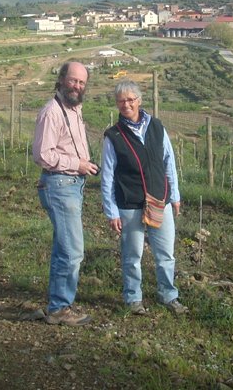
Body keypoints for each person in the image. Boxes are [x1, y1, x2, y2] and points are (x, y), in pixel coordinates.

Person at [100, 80, 188, 316]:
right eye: (121, 100)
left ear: (139, 100)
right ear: (117, 104)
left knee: (165, 254)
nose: (126, 104)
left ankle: (168, 295)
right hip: (129, 204)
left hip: (159, 200)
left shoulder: (157, 127)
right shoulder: (113, 136)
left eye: (130, 99)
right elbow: (107, 176)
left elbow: (169, 161)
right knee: (132, 255)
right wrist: (111, 211)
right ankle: (133, 298)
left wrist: (175, 196)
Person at [32, 61, 99, 325]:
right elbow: (42, 155)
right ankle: (60, 308)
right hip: (59, 185)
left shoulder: (73, 110)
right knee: (73, 251)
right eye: (73, 81)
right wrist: (78, 164)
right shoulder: (52, 112)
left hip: (71, 186)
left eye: (82, 82)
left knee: (64, 248)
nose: (77, 86)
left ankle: (58, 304)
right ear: (61, 80)